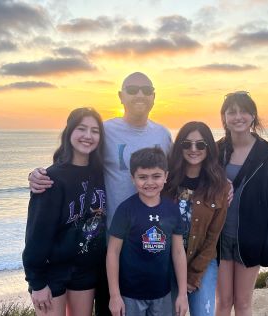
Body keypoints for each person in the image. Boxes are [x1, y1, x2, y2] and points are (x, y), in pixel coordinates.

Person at [27, 72, 171, 315]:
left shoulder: (163, 135)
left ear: (154, 97)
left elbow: (178, 173)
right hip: (107, 244)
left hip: (147, 239)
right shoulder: (105, 130)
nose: (139, 94)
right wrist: (38, 175)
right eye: (133, 89)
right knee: (109, 308)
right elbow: (74, 159)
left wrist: (222, 183)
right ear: (120, 96)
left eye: (146, 89)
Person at [22, 107, 107, 316]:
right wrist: (36, 282)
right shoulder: (52, 178)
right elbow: (36, 233)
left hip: (86, 267)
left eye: (95, 131)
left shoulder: (101, 173)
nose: (88, 136)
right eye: (82, 129)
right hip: (52, 270)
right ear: (69, 132)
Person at [215, 91, 268, 316]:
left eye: (243, 111)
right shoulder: (217, 151)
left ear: (253, 115)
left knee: (243, 303)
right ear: (224, 117)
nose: (238, 117)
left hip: (251, 238)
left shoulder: (266, 154)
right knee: (223, 302)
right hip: (220, 237)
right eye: (231, 111)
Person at [106, 147, 188, 316]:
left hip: (163, 293)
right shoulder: (126, 210)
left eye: (156, 176)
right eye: (142, 177)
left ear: (165, 176)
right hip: (130, 295)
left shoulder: (172, 210)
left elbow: (179, 252)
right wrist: (114, 296)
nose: (149, 182)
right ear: (132, 178)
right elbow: (113, 252)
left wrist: (182, 294)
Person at [164, 122, 229, 316]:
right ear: (179, 147)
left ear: (208, 148)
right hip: (167, 261)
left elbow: (213, 237)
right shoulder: (166, 181)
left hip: (201, 261)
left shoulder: (220, 186)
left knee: (203, 312)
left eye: (200, 145)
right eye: (187, 144)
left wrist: (193, 275)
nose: (193, 149)